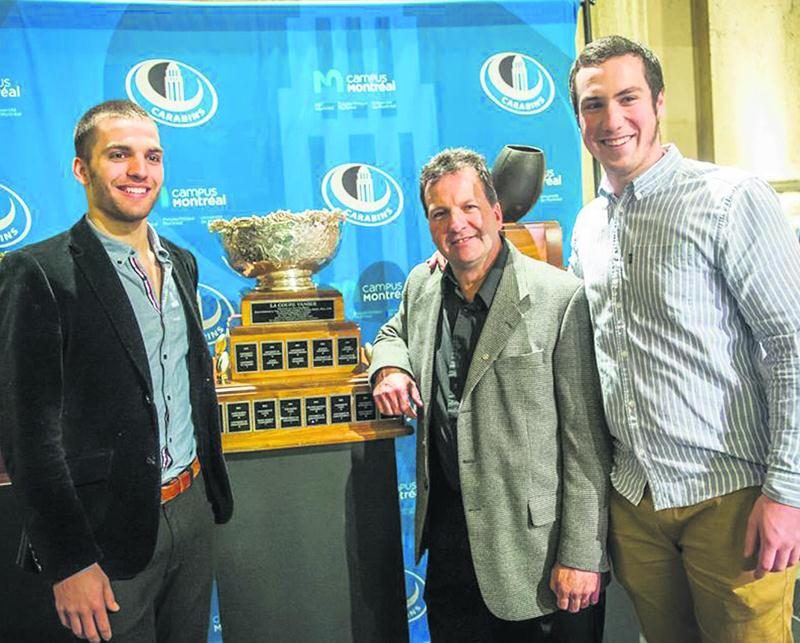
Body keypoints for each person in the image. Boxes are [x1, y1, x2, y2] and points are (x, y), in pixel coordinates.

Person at [569, 35, 800, 643]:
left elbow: (792, 347)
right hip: (636, 503)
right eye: (594, 104)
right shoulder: (588, 226)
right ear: (579, 119)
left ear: (659, 102)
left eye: (628, 98)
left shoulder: (730, 199)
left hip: (731, 501)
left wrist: (788, 493)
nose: (612, 120)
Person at [0, 99, 233, 643]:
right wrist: (69, 561)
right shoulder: (36, 272)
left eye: (152, 156)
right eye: (119, 155)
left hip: (192, 511)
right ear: (82, 169)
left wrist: (203, 502)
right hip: (102, 538)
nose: (139, 170)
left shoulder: (181, 261)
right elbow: (28, 436)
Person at [370, 148, 611, 641]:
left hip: (538, 562)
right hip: (450, 550)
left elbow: (586, 444)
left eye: (469, 208)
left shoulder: (560, 298)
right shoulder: (421, 285)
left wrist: (582, 556)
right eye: (441, 213)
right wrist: (389, 368)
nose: (457, 224)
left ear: (497, 213)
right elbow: (393, 332)